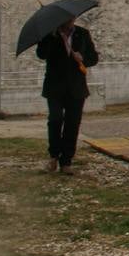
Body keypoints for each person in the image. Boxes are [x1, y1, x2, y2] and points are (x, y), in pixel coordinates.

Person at [36, 17, 99, 174]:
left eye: (72, 18)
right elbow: (41, 54)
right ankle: (53, 156)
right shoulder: (51, 35)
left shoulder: (82, 34)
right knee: (55, 120)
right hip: (55, 86)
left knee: (72, 124)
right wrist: (51, 36)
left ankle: (67, 161)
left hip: (76, 87)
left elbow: (94, 58)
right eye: (67, 19)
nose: (70, 21)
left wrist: (82, 58)